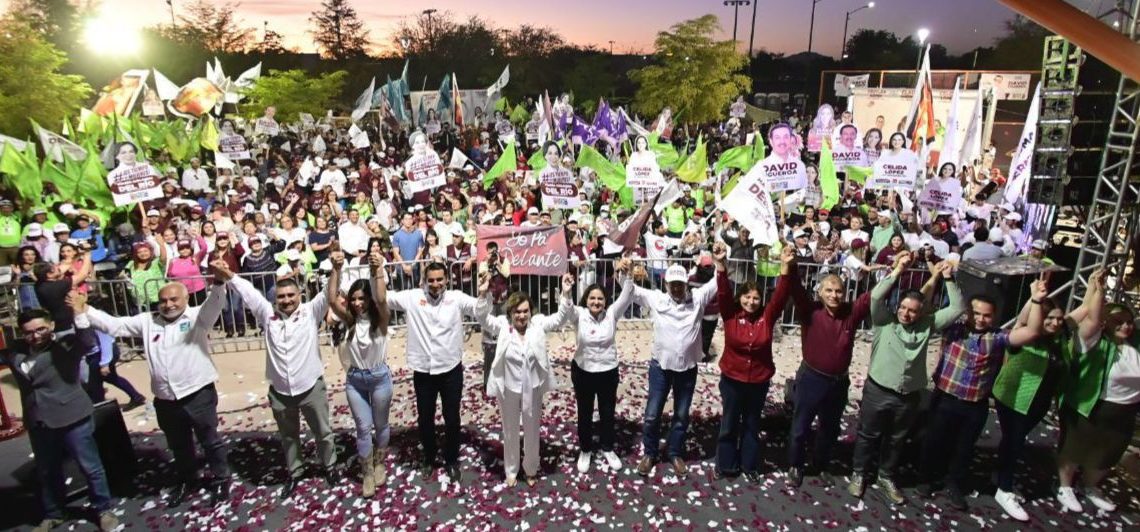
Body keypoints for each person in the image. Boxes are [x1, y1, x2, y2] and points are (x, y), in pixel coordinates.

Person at [74, 279, 231, 507]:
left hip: (198, 394)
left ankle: (221, 478)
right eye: (163, 300)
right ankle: (188, 480)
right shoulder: (147, 321)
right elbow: (114, 326)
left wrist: (218, 283)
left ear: (186, 300)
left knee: (210, 441)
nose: (168, 304)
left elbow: (215, 303)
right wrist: (86, 310)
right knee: (179, 444)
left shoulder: (198, 317)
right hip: (166, 398)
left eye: (174, 299)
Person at [212, 252, 337, 498]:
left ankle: (330, 466)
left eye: (291, 295)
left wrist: (337, 269)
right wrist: (228, 275)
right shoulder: (267, 315)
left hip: (311, 387)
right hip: (280, 391)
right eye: (281, 297)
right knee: (288, 436)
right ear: (275, 299)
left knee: (323, 432)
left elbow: (329, 294)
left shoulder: (311, 312)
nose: (287, 300)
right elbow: (248, 292)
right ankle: (296, 472)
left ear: (299, 296)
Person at [847, 258, 965, 504]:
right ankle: (859, 473)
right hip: (878, 390)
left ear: (921, 311)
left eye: (912, 310)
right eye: (902, 307)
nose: (905, 313)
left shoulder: (927, 326)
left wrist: (949, 279)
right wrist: (897, 271)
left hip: (909, 395)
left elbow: (956, 309)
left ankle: (886, 475)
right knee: (868, 434)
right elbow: (877, 297)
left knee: (896, 438)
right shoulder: (884, 321)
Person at [916, 287, 1046, 510]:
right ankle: (927, 479)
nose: (980, 319)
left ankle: (954, 483)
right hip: (945, 398)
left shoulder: (996, 337)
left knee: (964, 447)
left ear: (993, 316)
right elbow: (925, 309)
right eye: (976, 313)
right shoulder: (953, 330)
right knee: (934, 441)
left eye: (986, 315)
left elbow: (1032, 332)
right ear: (968, 312)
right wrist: (941, 277)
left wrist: (1035, 300)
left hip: (975, 404)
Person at [7, 307, 117, 532]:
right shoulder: (15, 351)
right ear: (21, 332)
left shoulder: (65, 346)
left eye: (41, 329)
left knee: (90, 467)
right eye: (29, 332)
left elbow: (87, 342)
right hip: (38, 421)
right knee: (47, 470)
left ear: (51, 327)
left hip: (72, 417)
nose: (36, 335)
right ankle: (54, 513)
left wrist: (79, 314)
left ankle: (103, 509)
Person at [990, 277, 1083, 521]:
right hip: (1013, 397)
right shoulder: (1027, 336)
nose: (1054, 322)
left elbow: (1086, 314)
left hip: (1039, 402)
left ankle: (999, 474)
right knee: (1015, 442)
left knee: (1013, 440)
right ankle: (1004, 488)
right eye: (1048, 317)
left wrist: (1096, 287)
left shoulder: (1061, 339)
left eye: (1058, 318)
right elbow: (1024, 320)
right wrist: (1035, 298)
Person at [387, 261, 484, 483]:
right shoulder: (412, 297)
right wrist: (376, 274)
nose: (435, 284)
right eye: (431, 280)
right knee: (425, 418)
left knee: (452, 418)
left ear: (446, 280)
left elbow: (479, 309)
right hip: (423, 370)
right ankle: (429, 458)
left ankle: (451, 459)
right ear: (424, 281)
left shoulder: (456, 298)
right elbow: (385, 297)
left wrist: (485, 292)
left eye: (440, 279)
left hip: (450, 368)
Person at [784, 258, 874, 487]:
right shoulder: (810, 312)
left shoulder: (850, 314)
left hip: (838, 383)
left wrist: (897, 272)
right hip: (811, 379)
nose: (834, 295)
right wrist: (791, 266)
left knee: (830, 428)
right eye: (829, 291)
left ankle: (820, 464)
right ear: (820, 293)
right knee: (801, 425)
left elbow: (871, 297)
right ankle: (795, 464)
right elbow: (796, 289)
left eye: (838, 291)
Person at [477, 273, 574, 486]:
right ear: (510, 312)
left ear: (531, 311)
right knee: (510, 429)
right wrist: (483, 293)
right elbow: (483, 318)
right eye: (517, 312)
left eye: (525, 311)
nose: (521, 316)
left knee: (531, 427)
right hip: (508, 387)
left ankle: (531, 468)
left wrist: (566, 294)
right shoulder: (503, 326)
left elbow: (560, 318)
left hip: (533, 386)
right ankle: (511, 470)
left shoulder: (537, 324)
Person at [1056, 269, 1139, 514]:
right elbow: (1090, 320)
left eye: (1128, 322)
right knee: (1074, 448)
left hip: (1123, 411)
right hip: (1091, 405)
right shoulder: (1092, 342)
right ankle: (1064, 486)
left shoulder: (1134, 346)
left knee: (1107, 452)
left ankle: (1090, 485)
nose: (1125, 326)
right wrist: (1098, 291)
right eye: (1118, 322)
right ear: (1105, 323)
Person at [713, 243, 795, 481]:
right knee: (729, 424)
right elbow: (723, 292)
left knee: (751, 425)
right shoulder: (730, 314)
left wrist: (784, 267)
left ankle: (749, 466)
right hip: (732, 381)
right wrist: (720, 264)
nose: (751, 301)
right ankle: (725, 465)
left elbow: (780, 297)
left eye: (756, 298)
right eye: (747, 297)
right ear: (740, 299)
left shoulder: (767, 318)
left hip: (758, 382)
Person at [631, 262, 718, 478]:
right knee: (652, 415)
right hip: (660, 367)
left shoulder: (698, 298)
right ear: (666, 284)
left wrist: (721, 261)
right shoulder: (657, 298)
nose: (677, 289)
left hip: (687, 369)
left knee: (681, 415)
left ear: (686, 284)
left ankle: (674, 452)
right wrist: (624, 270)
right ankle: (650, 453)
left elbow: (718, 282)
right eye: (673, 285)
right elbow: (630, 290)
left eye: (681, 284)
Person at [327, 252, 392, 498]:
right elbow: (332, 301)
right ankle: (366, 473)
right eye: (353, 299)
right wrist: (335, 269)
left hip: (379, 379)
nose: (356, 303)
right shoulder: (349, 321)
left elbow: (382, 297)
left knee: (381, 424)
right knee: (363, 428)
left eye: (362, 298)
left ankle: (379, 462)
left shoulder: (382, 319)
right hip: (355, 380)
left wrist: (378, 271)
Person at [562, 258, 635, 473]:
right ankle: (585, 450)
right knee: (584, 413)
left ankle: (607, 448)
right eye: (592, 298)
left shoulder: (612, 314)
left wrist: (629, 274)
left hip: (607, 372)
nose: (596, 302)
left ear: (605, 301)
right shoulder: (579, 314)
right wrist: (566, 292)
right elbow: (566, 310)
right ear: (586, 299)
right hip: (583, 372)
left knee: (607, 412)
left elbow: (627, 295)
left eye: (600, 298)